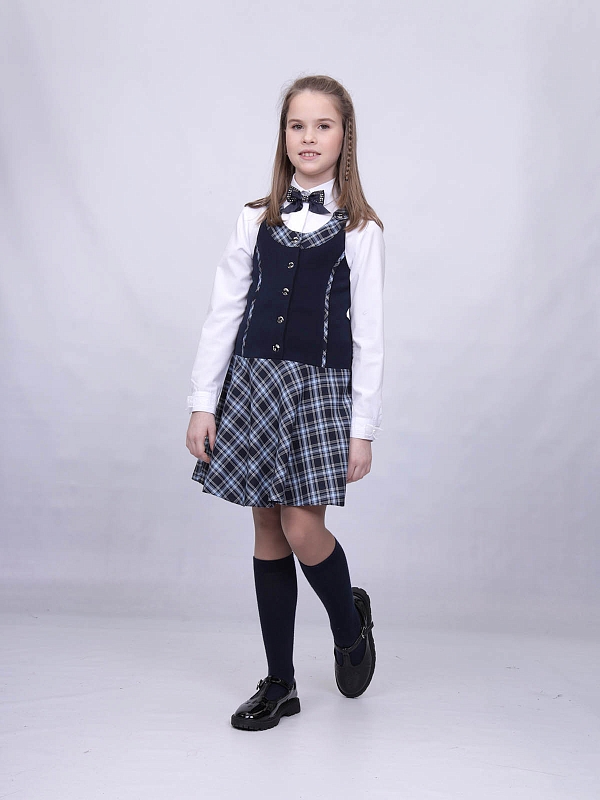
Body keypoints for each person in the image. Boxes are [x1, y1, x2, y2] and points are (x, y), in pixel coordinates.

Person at [186, 75, 384, 731]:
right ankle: (280, 682)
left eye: (323, 125)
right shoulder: (254, 218)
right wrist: (203, 401)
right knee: (267, 527)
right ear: (283, 136)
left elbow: (370, 335)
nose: (309, 137)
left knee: (302, 527)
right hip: (253, 384)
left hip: (319, 391)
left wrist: (363, 429)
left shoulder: (360, 229)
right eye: (297, 125)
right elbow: (224, 312)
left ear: (344, 137)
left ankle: (349, 625)